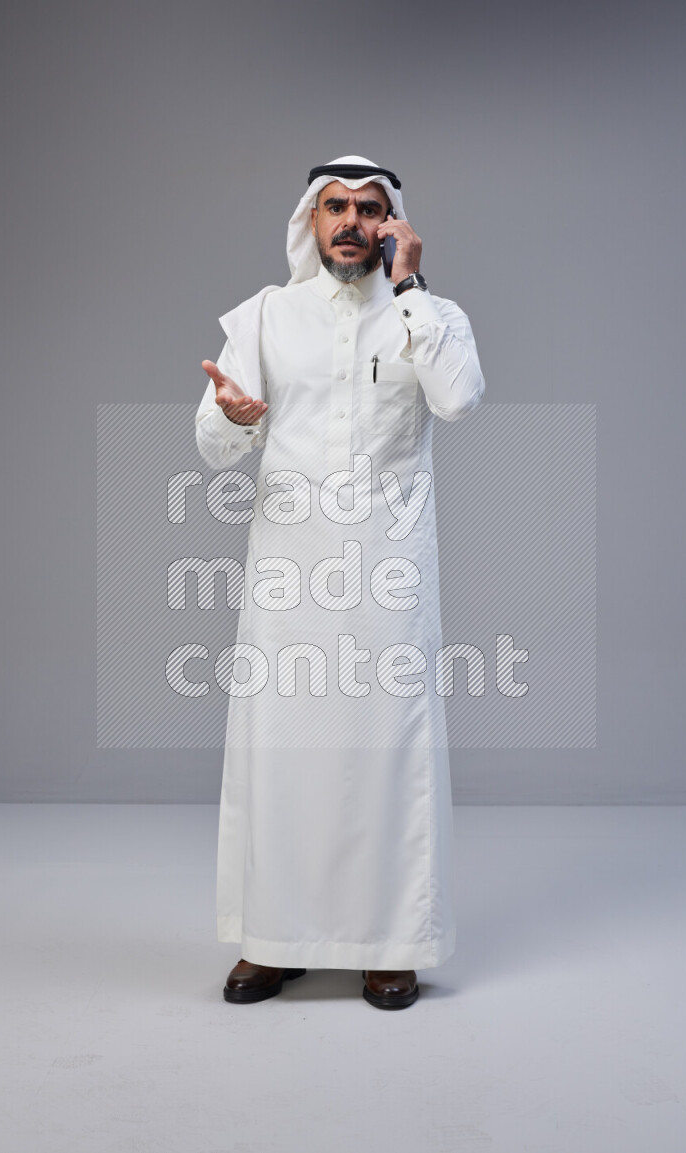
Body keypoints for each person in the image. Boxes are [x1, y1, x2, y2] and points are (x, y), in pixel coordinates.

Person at [195, 155, 485, 1010]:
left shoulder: (428, 315)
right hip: (288, 573)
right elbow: (212, 442)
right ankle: (271, 941)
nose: (352, 221)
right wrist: (233, 418)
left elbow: (460, 399)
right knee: (278, 755)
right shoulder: (265, 317)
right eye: (335, 208)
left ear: (394, 225)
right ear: (310, 223)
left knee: (386, 756)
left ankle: (389, 944)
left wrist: (412, 287)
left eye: (369, 208)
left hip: (390, 579)